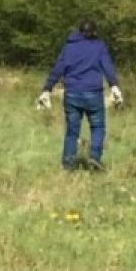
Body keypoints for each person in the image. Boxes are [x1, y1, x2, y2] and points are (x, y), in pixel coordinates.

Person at [37, 19, 123, 171]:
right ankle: (94, 157)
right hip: (93, 93)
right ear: (94, 32)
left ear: (79, 31)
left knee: (72, 130)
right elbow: (108, 67)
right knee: (98, 126)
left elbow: (58, 68)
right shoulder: (98, 46)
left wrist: (47, 88)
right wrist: (114, 86)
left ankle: (68, 164)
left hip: (72, 94)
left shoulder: (69, 47)